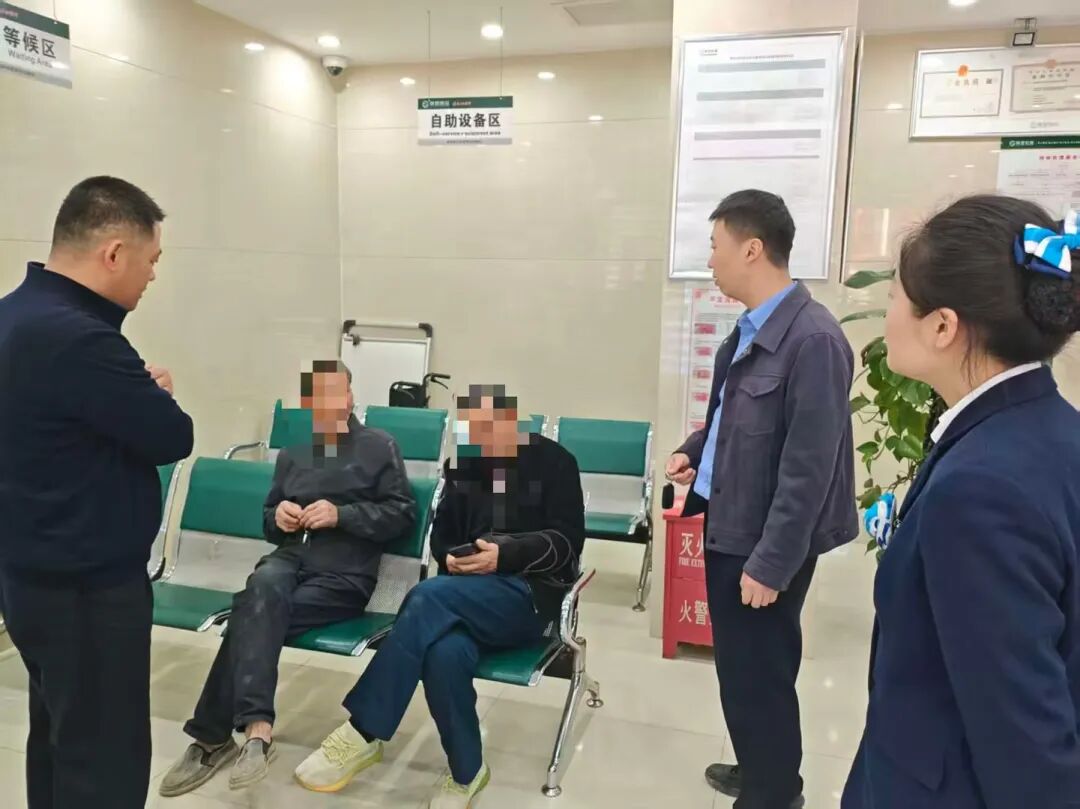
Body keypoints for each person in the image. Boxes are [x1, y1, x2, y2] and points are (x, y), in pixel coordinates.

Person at [842, 196, 1080, 809]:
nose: (887, 316)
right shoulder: (1052, 431)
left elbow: (1023, 737)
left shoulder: (980, 489)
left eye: (894, 298)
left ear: (943, 326)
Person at [292, 384, 585, 809]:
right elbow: (443, 537)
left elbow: (567, 544)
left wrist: (505, 556)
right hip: (464, 594)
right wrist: (453, 558)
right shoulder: (465, 467)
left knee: (428, 597)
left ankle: (363, 731)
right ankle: (468, 773)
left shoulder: (555, 462)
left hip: (527, 596)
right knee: (443, 653)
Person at [0, 176, 194, 809]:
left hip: (28, 574)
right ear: (114, 253)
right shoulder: (81, 337)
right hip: (86, 589)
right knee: (104, 762)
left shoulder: (13, 315)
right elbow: (171, 436)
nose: (152, 276)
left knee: (59, 741)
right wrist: (154, 395)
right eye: (151, 260)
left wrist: (131, 391)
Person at [666, 190, 858, 809]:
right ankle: (759, 768)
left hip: (763, 542)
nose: (710, 260)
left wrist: (772, 564)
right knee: (741, 670)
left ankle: (775, 794)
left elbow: (810, 468)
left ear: (752, 249)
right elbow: (732, 418)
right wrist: (695, 451)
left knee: (762, 675)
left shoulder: (813, 340)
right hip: (730, 521)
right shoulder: (750, 330)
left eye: (715, 246)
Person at [160, 360, 416, 795]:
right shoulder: (295, 453)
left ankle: (213, 736)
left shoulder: (379, 447)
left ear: (350, 397)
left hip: (343, 574)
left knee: (250, 615)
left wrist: (342, 515)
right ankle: (255, 730)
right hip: (288, 561)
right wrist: (278, 516)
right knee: (263, 587)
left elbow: (402, 515)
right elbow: (268, 521)